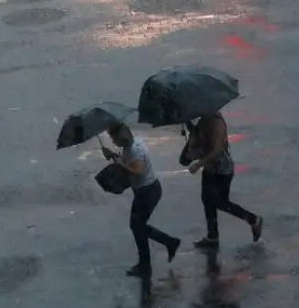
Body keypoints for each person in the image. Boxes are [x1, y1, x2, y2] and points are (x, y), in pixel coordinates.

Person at [102, 122, 181, 276]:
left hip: (148, 191)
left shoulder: (135, 149)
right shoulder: (129, 146)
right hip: (145, 190)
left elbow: (139, 171)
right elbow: (129, 163)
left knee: (137, 226)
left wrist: (119, 163)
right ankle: (163, 248)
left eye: (113, 137)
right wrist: (113, 156)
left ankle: (159, 251)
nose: (112, 141)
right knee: (137, 226)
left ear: (120, 136)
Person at [184, 112, 264, 248]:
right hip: (209, 169)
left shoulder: (216, 122)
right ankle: (212, 236)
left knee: (220, 202)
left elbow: (217, 149)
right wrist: (191, 136)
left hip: (222, 169)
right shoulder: (201, 122)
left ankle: (253, 219)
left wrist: (199, 164)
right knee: (207, 200)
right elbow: (195, 151)